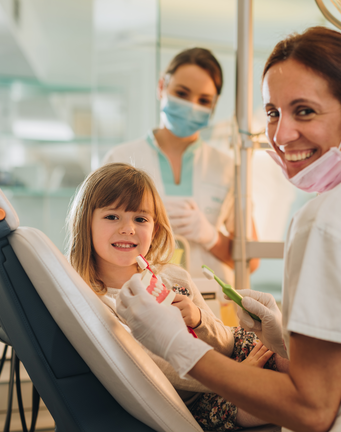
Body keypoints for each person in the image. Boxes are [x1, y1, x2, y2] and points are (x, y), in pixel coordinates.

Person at [115, 27, 341, 432]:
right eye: (272, 112)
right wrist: (287, 342)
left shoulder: (328, 218)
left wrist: (174, 344)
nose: (281, 135)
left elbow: (311, 409)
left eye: (304, 111)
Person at [65, 162, 288, 431]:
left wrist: (198, 320)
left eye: (140, 219)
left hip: (229, 366)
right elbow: (155, 373)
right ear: (85, 223)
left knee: (293, 363)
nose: (128, 229)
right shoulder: (96, 304)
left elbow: (226, 345)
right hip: (190, 397)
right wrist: (238, 379)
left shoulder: (174, 279)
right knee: (276, 404)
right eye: (112, 216)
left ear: (155, 229)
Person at [102, 47, 258, 285]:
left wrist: (211, 237)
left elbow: (251, 261)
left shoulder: (227, 168)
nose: (192, 105)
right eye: (182, 93)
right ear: (162, 87)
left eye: (204, 100)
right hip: (141, 299)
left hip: (211, 305)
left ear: (214, 107)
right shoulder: (121, 159)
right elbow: (96, 243)